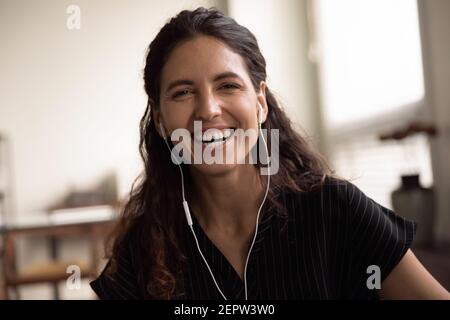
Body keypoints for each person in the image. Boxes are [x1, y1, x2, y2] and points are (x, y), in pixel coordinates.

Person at [90, 7, 450, 300]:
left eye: (228, 85)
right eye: (183, 93)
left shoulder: (335, 209)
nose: (208, 110)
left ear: (260, 103)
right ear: (160, 120)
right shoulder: (140, 250)